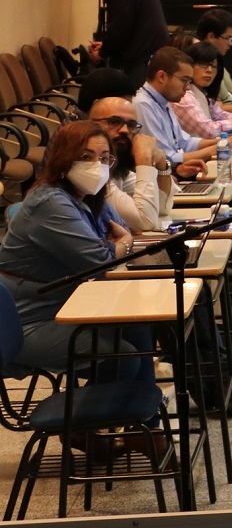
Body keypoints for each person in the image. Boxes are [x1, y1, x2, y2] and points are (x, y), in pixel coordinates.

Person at [0, 121, 153, 386]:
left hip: (68, 306)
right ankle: (101, 410)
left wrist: (117, 244)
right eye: (86, 157)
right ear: (63, 160)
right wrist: (123, 244)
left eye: (104, 158)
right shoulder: (49, 201)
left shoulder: (89, 196)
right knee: (123, 357)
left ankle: (144, 409)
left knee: (137, 326)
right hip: (24, 322)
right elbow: (101, 260)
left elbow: (120, 234)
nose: (97, 166)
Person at [134, 46, 232, 181]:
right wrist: (217, 148)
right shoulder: (143, 105)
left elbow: (185, 142)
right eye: (184, 80)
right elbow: (166, 158)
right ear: (162, 76)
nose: (187, 87)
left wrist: (223, 142)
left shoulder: (163, 101)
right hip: (163, 180)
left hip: (175, 175)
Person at [81, 0, 169, 78]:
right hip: (149, 51)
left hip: (141, 59)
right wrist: (105, 45)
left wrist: (101, 53)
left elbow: (119, 29)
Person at [90, 94, 171, 234]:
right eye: (114, 122)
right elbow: (145, 221)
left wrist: (162, 162)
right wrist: (144, 158)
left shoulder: (118, 166)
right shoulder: (91, 168)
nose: (125, 130)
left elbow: (162, 208)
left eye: (131, 125)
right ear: (91, 125)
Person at [174, 41, 232, 141]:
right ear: (189, 65)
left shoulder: (202, 92)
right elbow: (208, 132)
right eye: (203, 64)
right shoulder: (185, 96)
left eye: (213, 66)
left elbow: (218, 115)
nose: (209, 70)